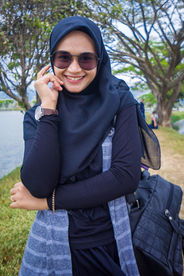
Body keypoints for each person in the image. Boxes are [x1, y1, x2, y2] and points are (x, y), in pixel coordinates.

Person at [10, 16, 160, 276]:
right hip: (51, 244)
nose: (74, 68)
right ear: (52, 61)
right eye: (63, 58)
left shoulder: (120, 101)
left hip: (112, 240)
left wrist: (46, 202)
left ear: (99, 60)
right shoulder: (38, 116)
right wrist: (49, 108)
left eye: (86, 58)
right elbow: (37, 184)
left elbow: (124, 177)